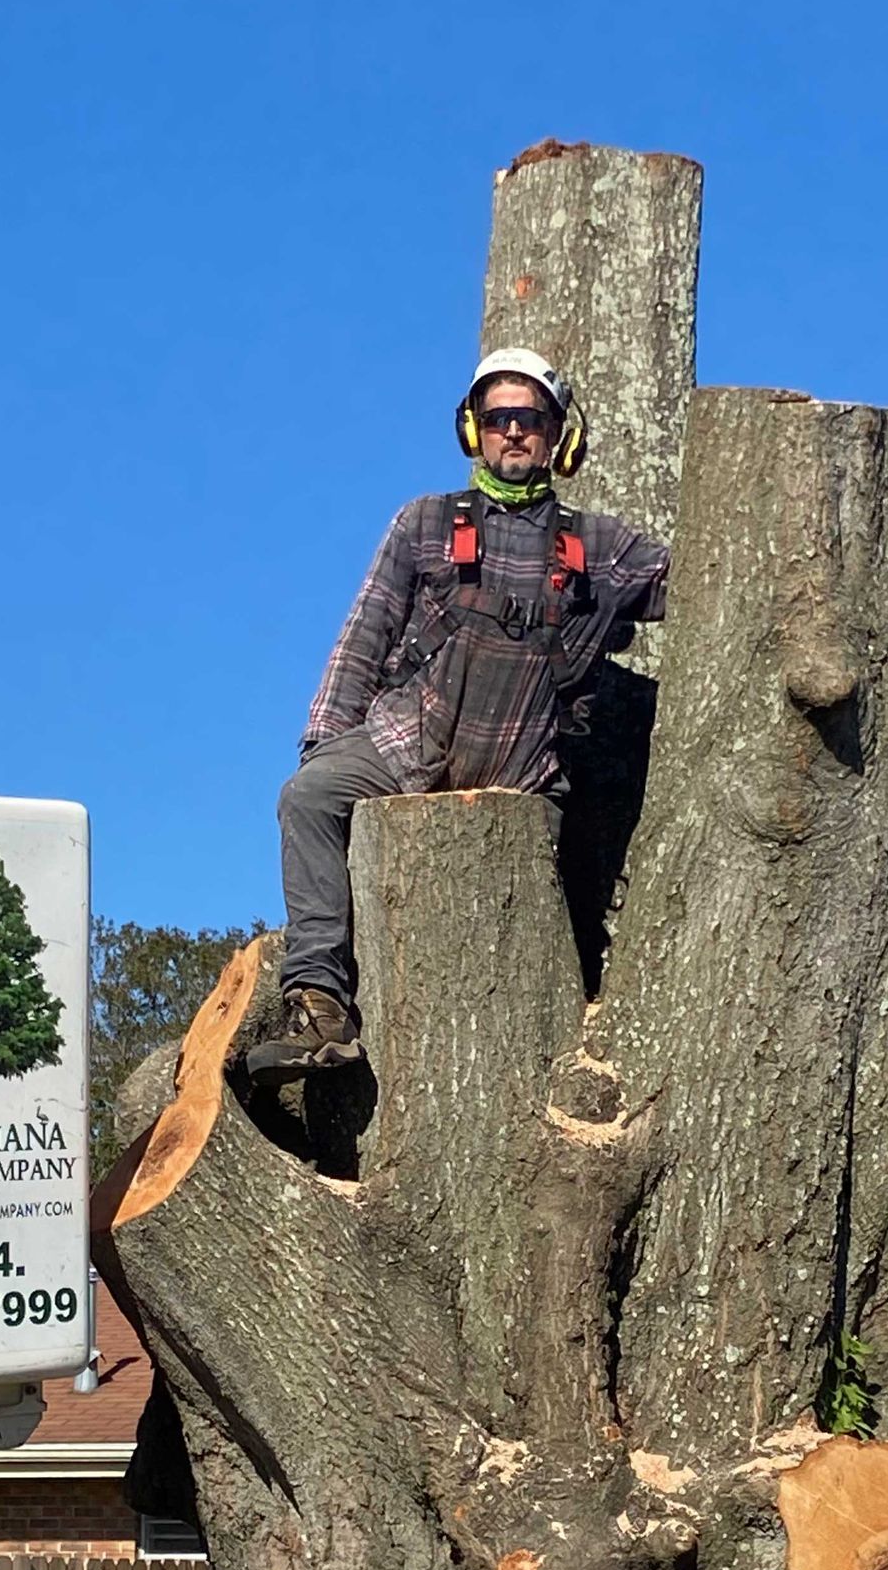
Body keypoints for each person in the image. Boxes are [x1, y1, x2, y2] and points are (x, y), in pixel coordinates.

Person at [244, 347, 671, 1083]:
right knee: (307, 798)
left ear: (558, 436)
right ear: (473, 431)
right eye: (497, 418)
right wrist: (325, 740)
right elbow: (366, 632)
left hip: (524, 771)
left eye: (529, 418)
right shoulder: (427, 523)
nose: (513, 432)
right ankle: (319, 1004)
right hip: (409, 741)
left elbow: (710, 577)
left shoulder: (598, 547)